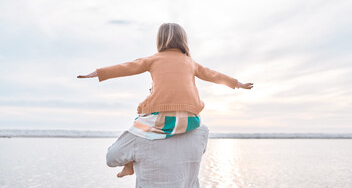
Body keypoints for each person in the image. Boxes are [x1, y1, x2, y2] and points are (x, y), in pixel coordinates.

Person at [77, 23, 253, 178]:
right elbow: (213, 75)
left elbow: (127, 67)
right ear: (183, 41)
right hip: (190, 120)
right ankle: (129, 166)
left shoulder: (153, 59)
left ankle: (129, 165)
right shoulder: (191, 62)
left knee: (138, 125)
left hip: (161, 118)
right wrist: (237, 83)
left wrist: (98, 73)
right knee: (142, 124)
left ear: (160, 41)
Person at [106, 124, 209, 188]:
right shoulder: (201, 132)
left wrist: (136, 128)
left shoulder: (139, 134)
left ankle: (129, 165)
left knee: (131, 151)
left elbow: (111, 159)